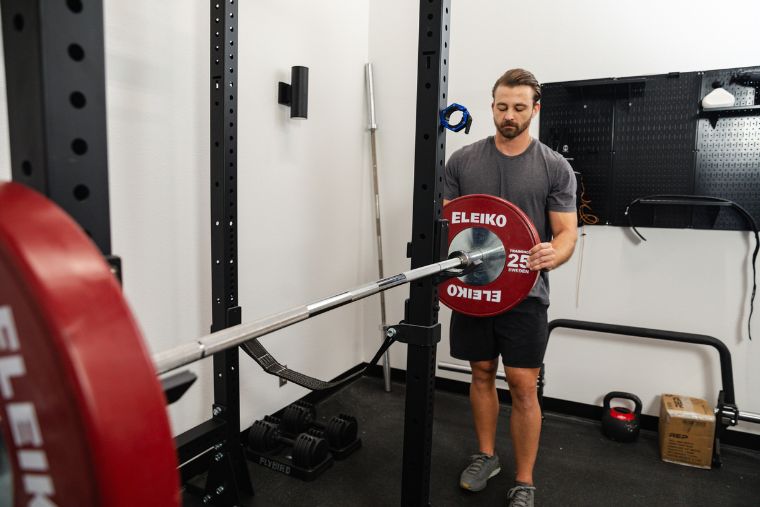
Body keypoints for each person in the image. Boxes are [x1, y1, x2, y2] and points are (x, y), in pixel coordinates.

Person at [443, 68, 578, 507]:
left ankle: (524, 479)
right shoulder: (462, 162)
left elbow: (566, 235)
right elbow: (449, 227)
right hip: (475, 288)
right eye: (502, 106)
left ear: (534, 110)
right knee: (480, 373)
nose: (509, 115)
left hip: (525, 293)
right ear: (492, 106)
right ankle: (486, 456)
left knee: (522, 384)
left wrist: (554, 255)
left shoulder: (553, 167)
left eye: (519, 107)